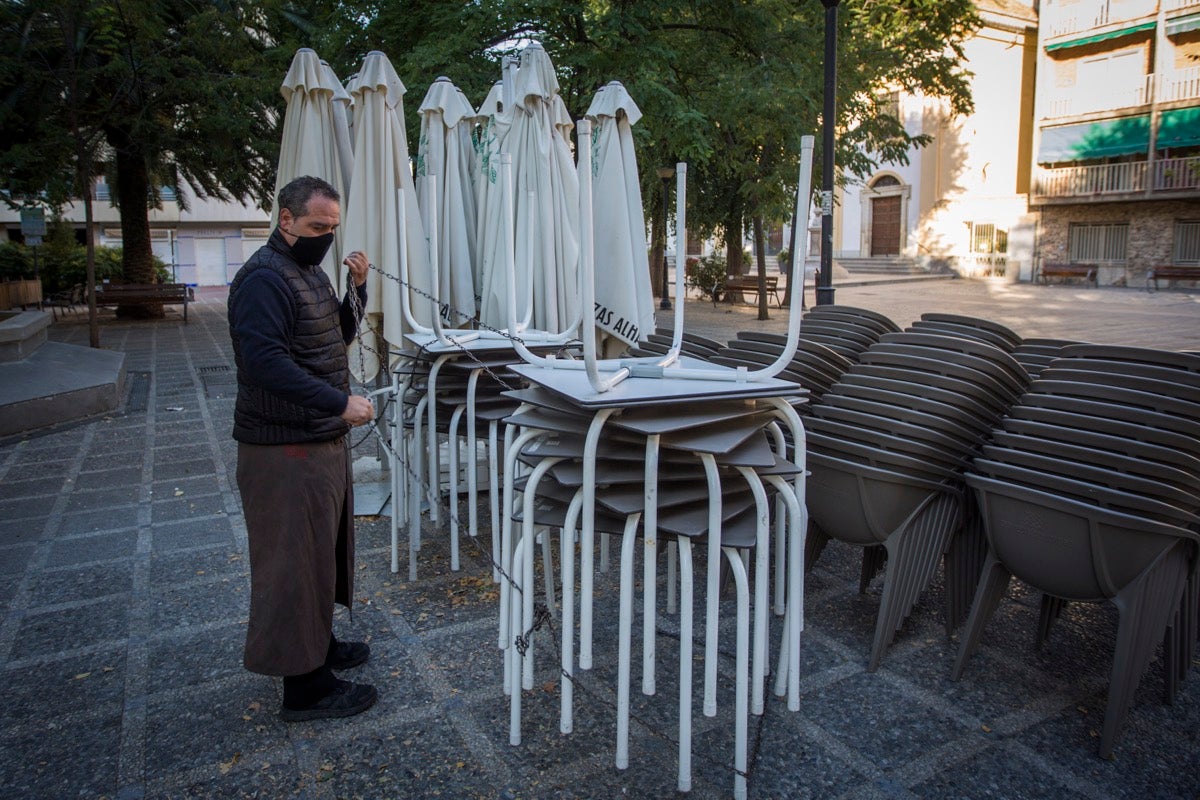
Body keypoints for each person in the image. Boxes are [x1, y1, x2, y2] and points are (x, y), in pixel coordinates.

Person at [227, 175, 377, 721]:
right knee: (291, 562)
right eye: (318, 226)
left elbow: (332, 335)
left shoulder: (306, 270)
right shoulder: (264, 279)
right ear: (285, 220)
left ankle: (318, 644)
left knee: (320, 553)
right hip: (283, 448)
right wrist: (339, 403)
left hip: (316, 441)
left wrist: (357, 290)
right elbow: (265, 365)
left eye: (333, 228)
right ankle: (304, 685)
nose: (327, 237)